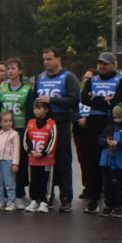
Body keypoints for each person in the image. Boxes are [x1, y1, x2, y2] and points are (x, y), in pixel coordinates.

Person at [26, 48, 80, 210]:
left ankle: (66, 197)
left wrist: (52, 100)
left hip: (60, 123)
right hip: (42, 124)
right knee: (43, 161)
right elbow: (35, 99)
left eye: (49, 59)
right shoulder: (40, 78)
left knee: (63, 161)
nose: (46, 62)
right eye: (44, 59)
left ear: (58, 59)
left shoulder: (68, 77)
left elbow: (74, 100)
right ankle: (45, 196)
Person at [77, 53, 122, 211]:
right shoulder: (92, 80)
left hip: (111, 123)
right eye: (100, 63)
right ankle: (94, 198)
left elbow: (119, 101)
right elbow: (84, 99)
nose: (102, 66)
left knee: (111, 163)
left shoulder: (120, 80)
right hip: (93, 122)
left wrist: (96, 99)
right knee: (93, 161)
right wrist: (105, 100)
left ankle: (113, 201)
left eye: (105, 64)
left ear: (114, 65)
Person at [99, 103, 122, 216]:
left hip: (119, 162)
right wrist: (106, 142)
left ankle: (118, 206)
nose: (117, 120)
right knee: (107, 185)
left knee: (118, 185)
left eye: (119, 117)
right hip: (106, 161)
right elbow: (100, 140)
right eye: (115, 117)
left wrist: (118, 143)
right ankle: (108, 205)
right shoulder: (110, 126)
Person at [23, 99, 56, 212]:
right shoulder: (31, 122)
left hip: (46, 159)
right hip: (33, 158)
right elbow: (26, 139)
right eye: (34, 108)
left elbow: (53, 140)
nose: (36, 111)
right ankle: (34, 200)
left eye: (39, 108)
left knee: (45, 181)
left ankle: (44, 202)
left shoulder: (51, 123)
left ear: (46, 110)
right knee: (33, 180)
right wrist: (31, 151)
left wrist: (43, 153)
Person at [0, 110, 21, 211]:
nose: (8, 123)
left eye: (10, 120)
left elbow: (16, 150)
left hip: (9, 161)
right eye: (5, 121)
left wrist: (15, 163)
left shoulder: (15, 134)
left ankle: (11, 203)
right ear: (0, 123)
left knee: (9, 183)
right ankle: (0, 201)